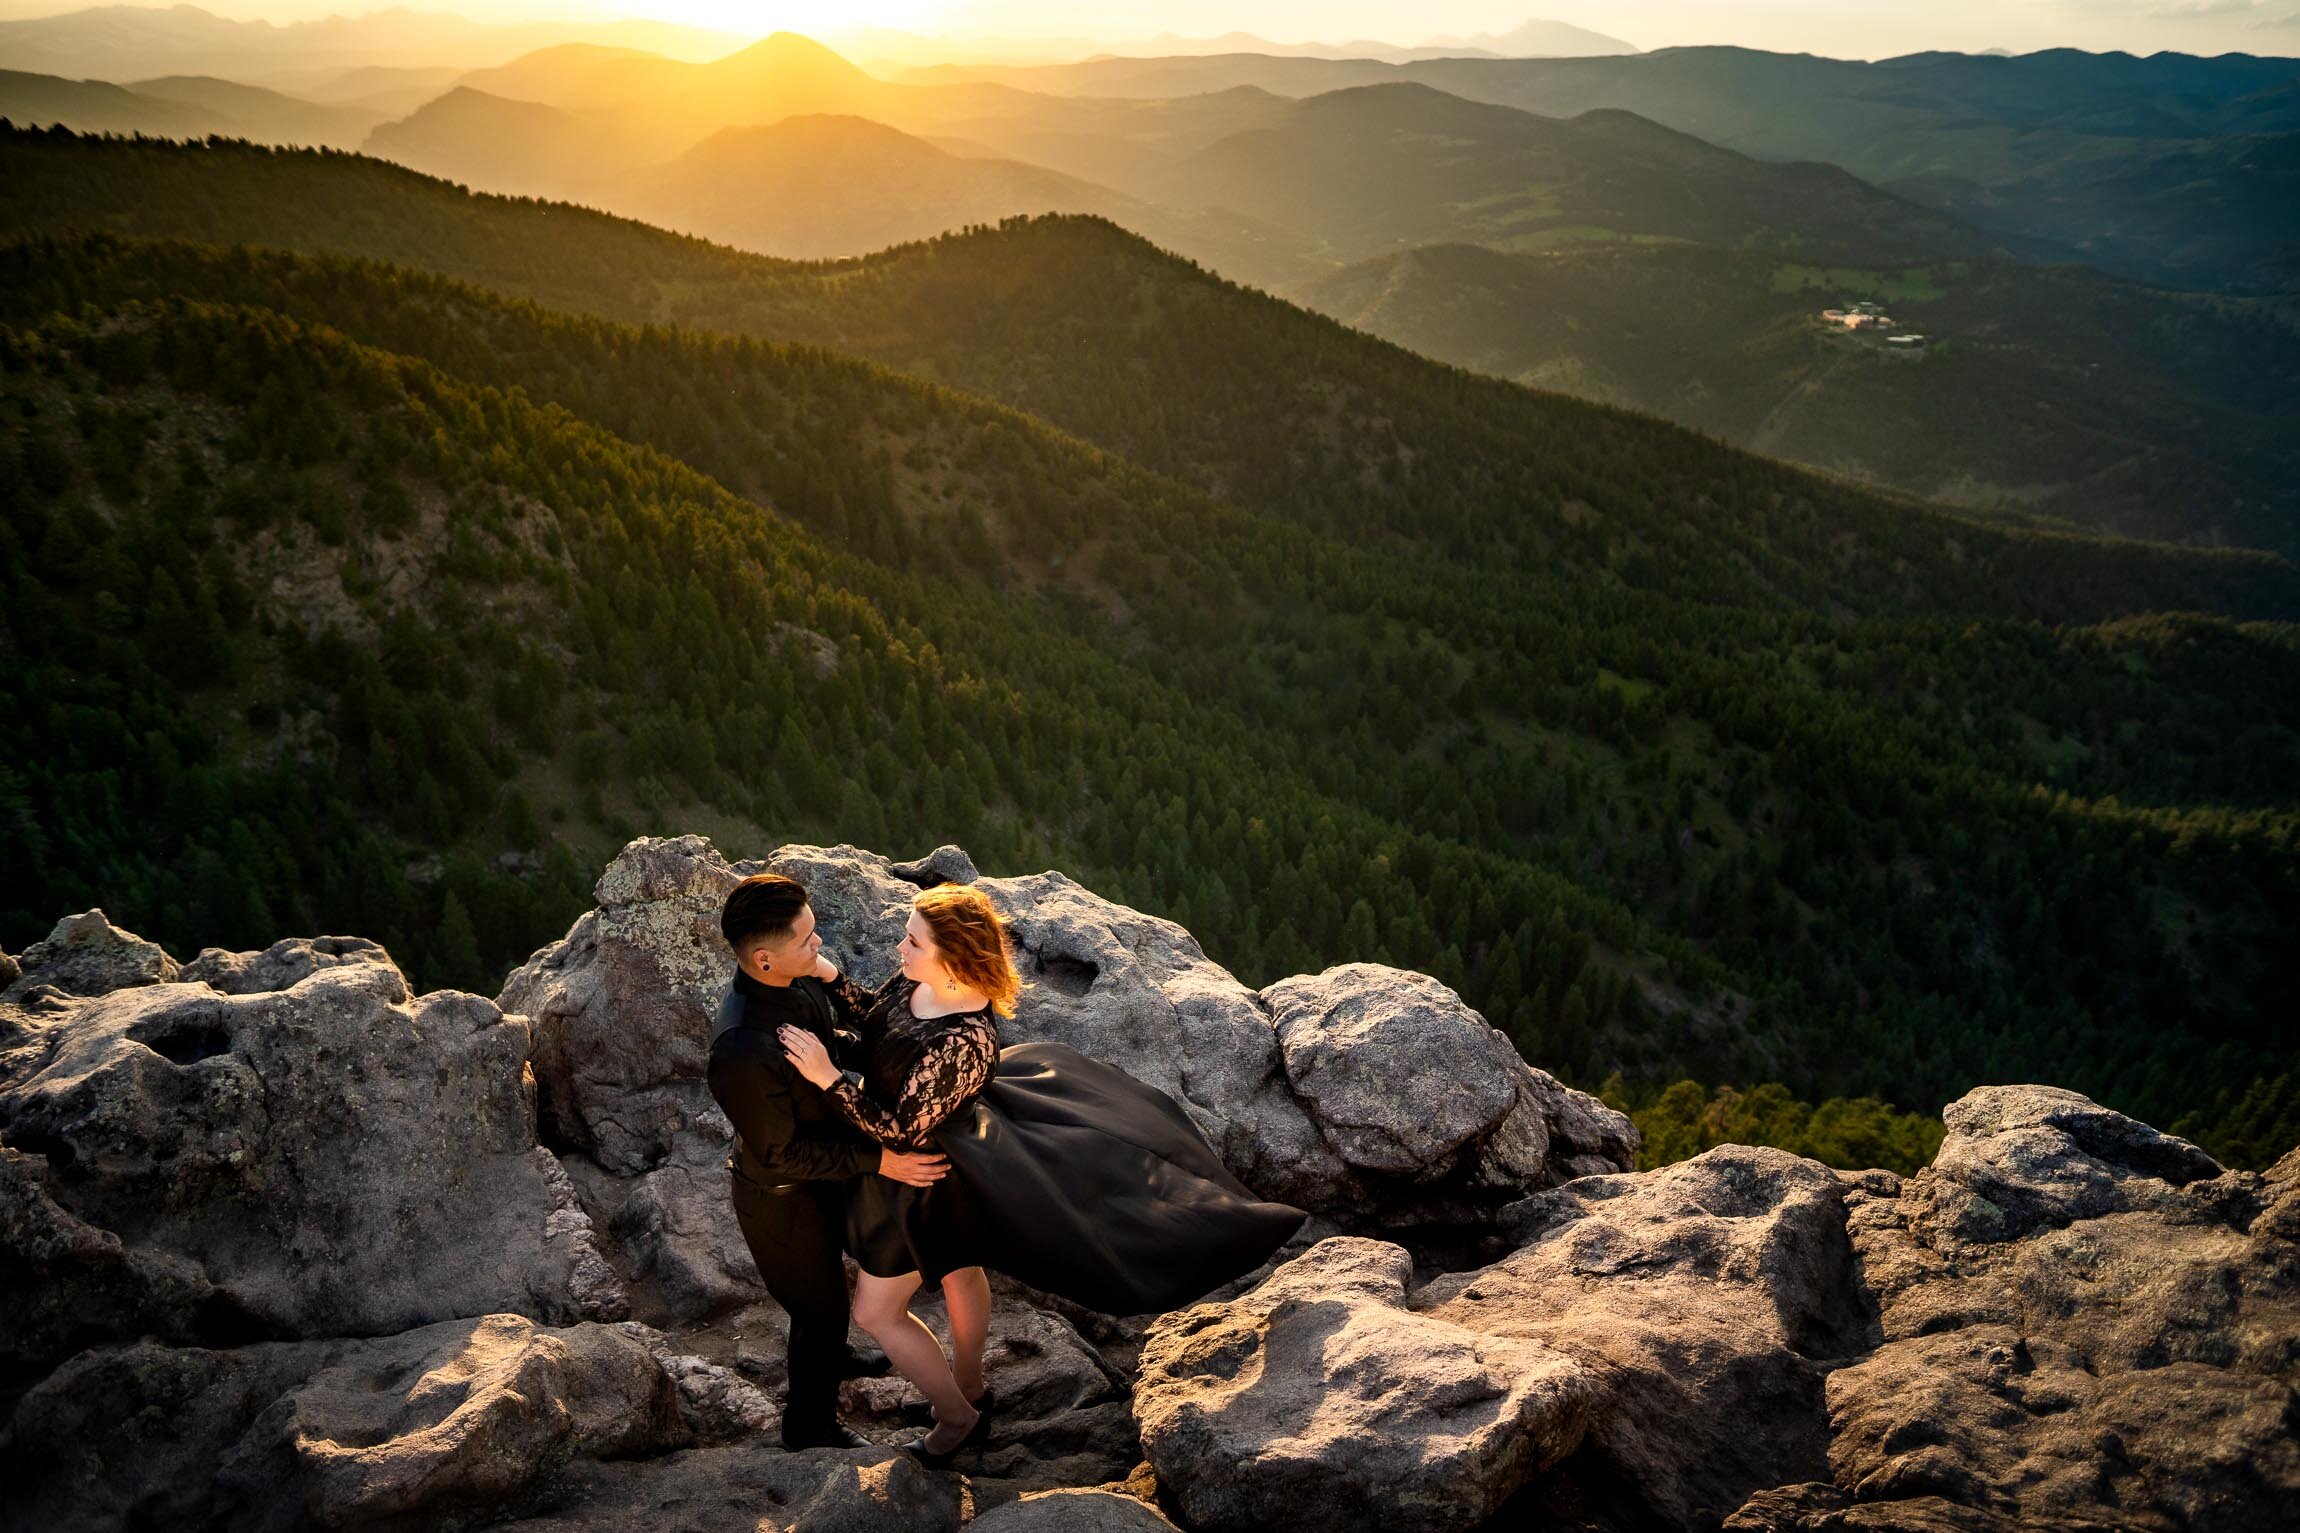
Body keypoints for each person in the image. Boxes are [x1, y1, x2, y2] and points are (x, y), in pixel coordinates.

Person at [779, 883, 1308, 1467]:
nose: (900, 947)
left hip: (916, 1175)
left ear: (954, 960)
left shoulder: (966, 1040)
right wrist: (830, 978)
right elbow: (877, 1025)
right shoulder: (917, 980)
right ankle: (972, 1388)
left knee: (875, 1313)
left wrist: (829, 1078)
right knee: (958, 1270)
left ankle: (958, 1420)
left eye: (913, 940)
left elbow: (901, 1128)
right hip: (929, 1165)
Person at [708, 872, 952, 1451]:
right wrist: (882, 1160)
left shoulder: (795, 981)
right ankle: (809, 1426)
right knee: (815, 1310)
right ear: (764, 958)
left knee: (830, 1301)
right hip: (781, 1199)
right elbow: (780, 1153)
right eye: (807, 939)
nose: (820, 946)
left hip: (823, 1174)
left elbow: (830, 1039)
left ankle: (833, 1351)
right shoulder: (742, 1049)